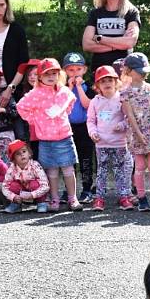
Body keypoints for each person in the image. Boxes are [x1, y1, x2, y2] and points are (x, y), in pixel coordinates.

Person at [16, 58, 82, 212]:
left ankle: (73, 198)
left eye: (54, 73)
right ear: (39, 76)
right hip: (45, 139)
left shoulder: (63, 91)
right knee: (51, 171)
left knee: (68, 169)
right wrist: (34, 121)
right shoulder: (35, 93)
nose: (51, 76)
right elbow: (21, 107)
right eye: (47, 74)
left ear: (59, 74)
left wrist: (66, 112)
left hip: (65, 136)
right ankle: (54, 199)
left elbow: (71, 100)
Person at [120, 53, 150, 212]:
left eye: (144, 70)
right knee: (139, 167)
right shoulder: (126, 92)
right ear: (129, 71)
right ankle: (141, 198)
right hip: (136, 135)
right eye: (139, 70)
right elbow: (129, 115)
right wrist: (138, 134)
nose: (143, 73)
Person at [87, 65, 133, 211]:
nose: (107, 84)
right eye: (103, 81)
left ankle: (124, 196)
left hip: (119, 143)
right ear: (97, 85)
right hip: (101, 144)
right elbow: (90, 121)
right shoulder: (95, 102)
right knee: (102, 171)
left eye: (110, 80)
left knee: (121, 170)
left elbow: (129, 118)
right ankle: (99, 198)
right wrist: (92, 132)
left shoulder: (121, 99)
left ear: (116, 82)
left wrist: (122, 124)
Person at [82, 0, 141, 71]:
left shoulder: (131, 12)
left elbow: (130, 42)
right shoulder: (95, 13)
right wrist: (117, 45)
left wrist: (100, 39)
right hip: (100, 71)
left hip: (124, 71)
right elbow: (87, 44)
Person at [63, 52, 95, 203]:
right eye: (70, 70)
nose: (75, 73)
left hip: (85, 128)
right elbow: (62, 104)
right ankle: (69, 190)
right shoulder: (62, 89)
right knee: (68, 160)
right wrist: (69, 87)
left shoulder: (89, 87)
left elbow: (87, 104)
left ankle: (87, 189)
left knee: (86, 159)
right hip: (67, 129)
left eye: (78, 69)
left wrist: (79, 87)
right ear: (64, 72)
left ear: (84, 70)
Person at [2, 140, 50, 214]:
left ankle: (41, 203)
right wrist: (13, 197)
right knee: (13, 185)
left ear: (29, 153)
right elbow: (5, 186)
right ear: (14, 159)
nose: (22, 155)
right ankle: (16, 204)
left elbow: (45, 185)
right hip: (20, 195)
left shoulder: (35, 165)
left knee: (34, 184)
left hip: (35, 193)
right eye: (18, 154)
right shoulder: (12, 168)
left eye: (24, 151)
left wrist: (33, 194)